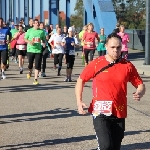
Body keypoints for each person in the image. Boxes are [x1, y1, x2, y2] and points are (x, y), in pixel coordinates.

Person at [75, 33, 146, 150]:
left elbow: (140, 84)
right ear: (106, 46)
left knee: (114, 147)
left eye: (118, 47)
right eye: (112, 47)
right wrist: (79, 101)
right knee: (105, 146)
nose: (116, 50)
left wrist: (139, 92)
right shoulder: (97, 63)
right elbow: (81, 80)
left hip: (119, 111)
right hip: (100, 111)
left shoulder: (127, 65)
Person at [24, 19, 45, 85]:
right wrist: (29, 42)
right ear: (33, 24)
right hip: (30, 50)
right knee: (30, 64)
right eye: (36, 23)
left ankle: (35, 79)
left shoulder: (42, 31)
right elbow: (25, 39)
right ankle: (30, 72)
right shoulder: (29, 31)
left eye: (38, 23)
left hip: (38, 50)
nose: (37, 24)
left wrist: (44, 43)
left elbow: (43, 39)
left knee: (37, 65)